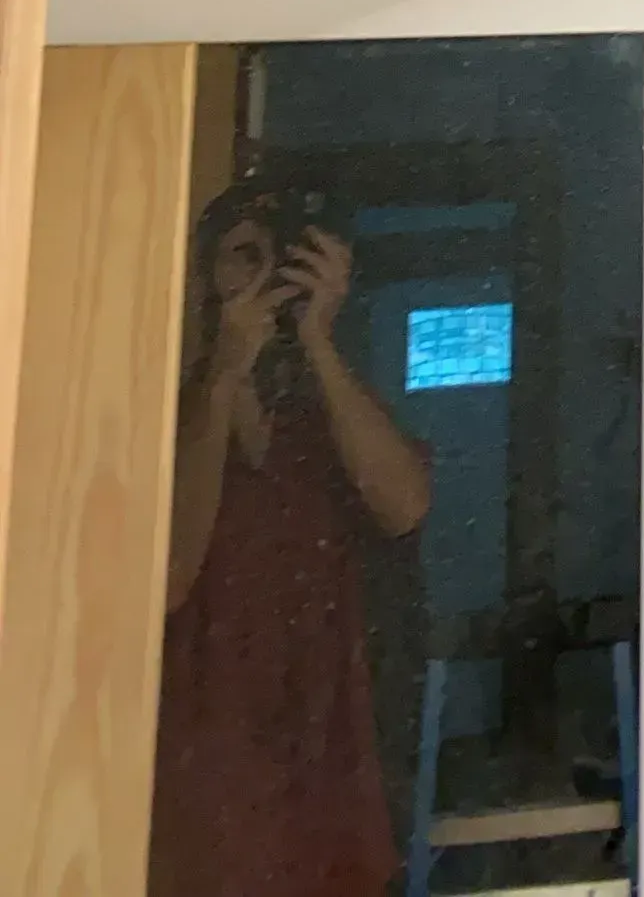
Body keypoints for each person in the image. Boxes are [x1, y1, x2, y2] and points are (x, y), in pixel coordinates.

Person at [149, 188, 432, 897]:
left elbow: (404, 505)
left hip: (326, 756)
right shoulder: (169, 408)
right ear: (207, 275)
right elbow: (171, 575)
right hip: (202, 761)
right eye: (245, 254)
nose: (268, 272)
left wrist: (318, 339)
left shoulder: (325, 409)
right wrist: (225, 371)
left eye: (283, 254)